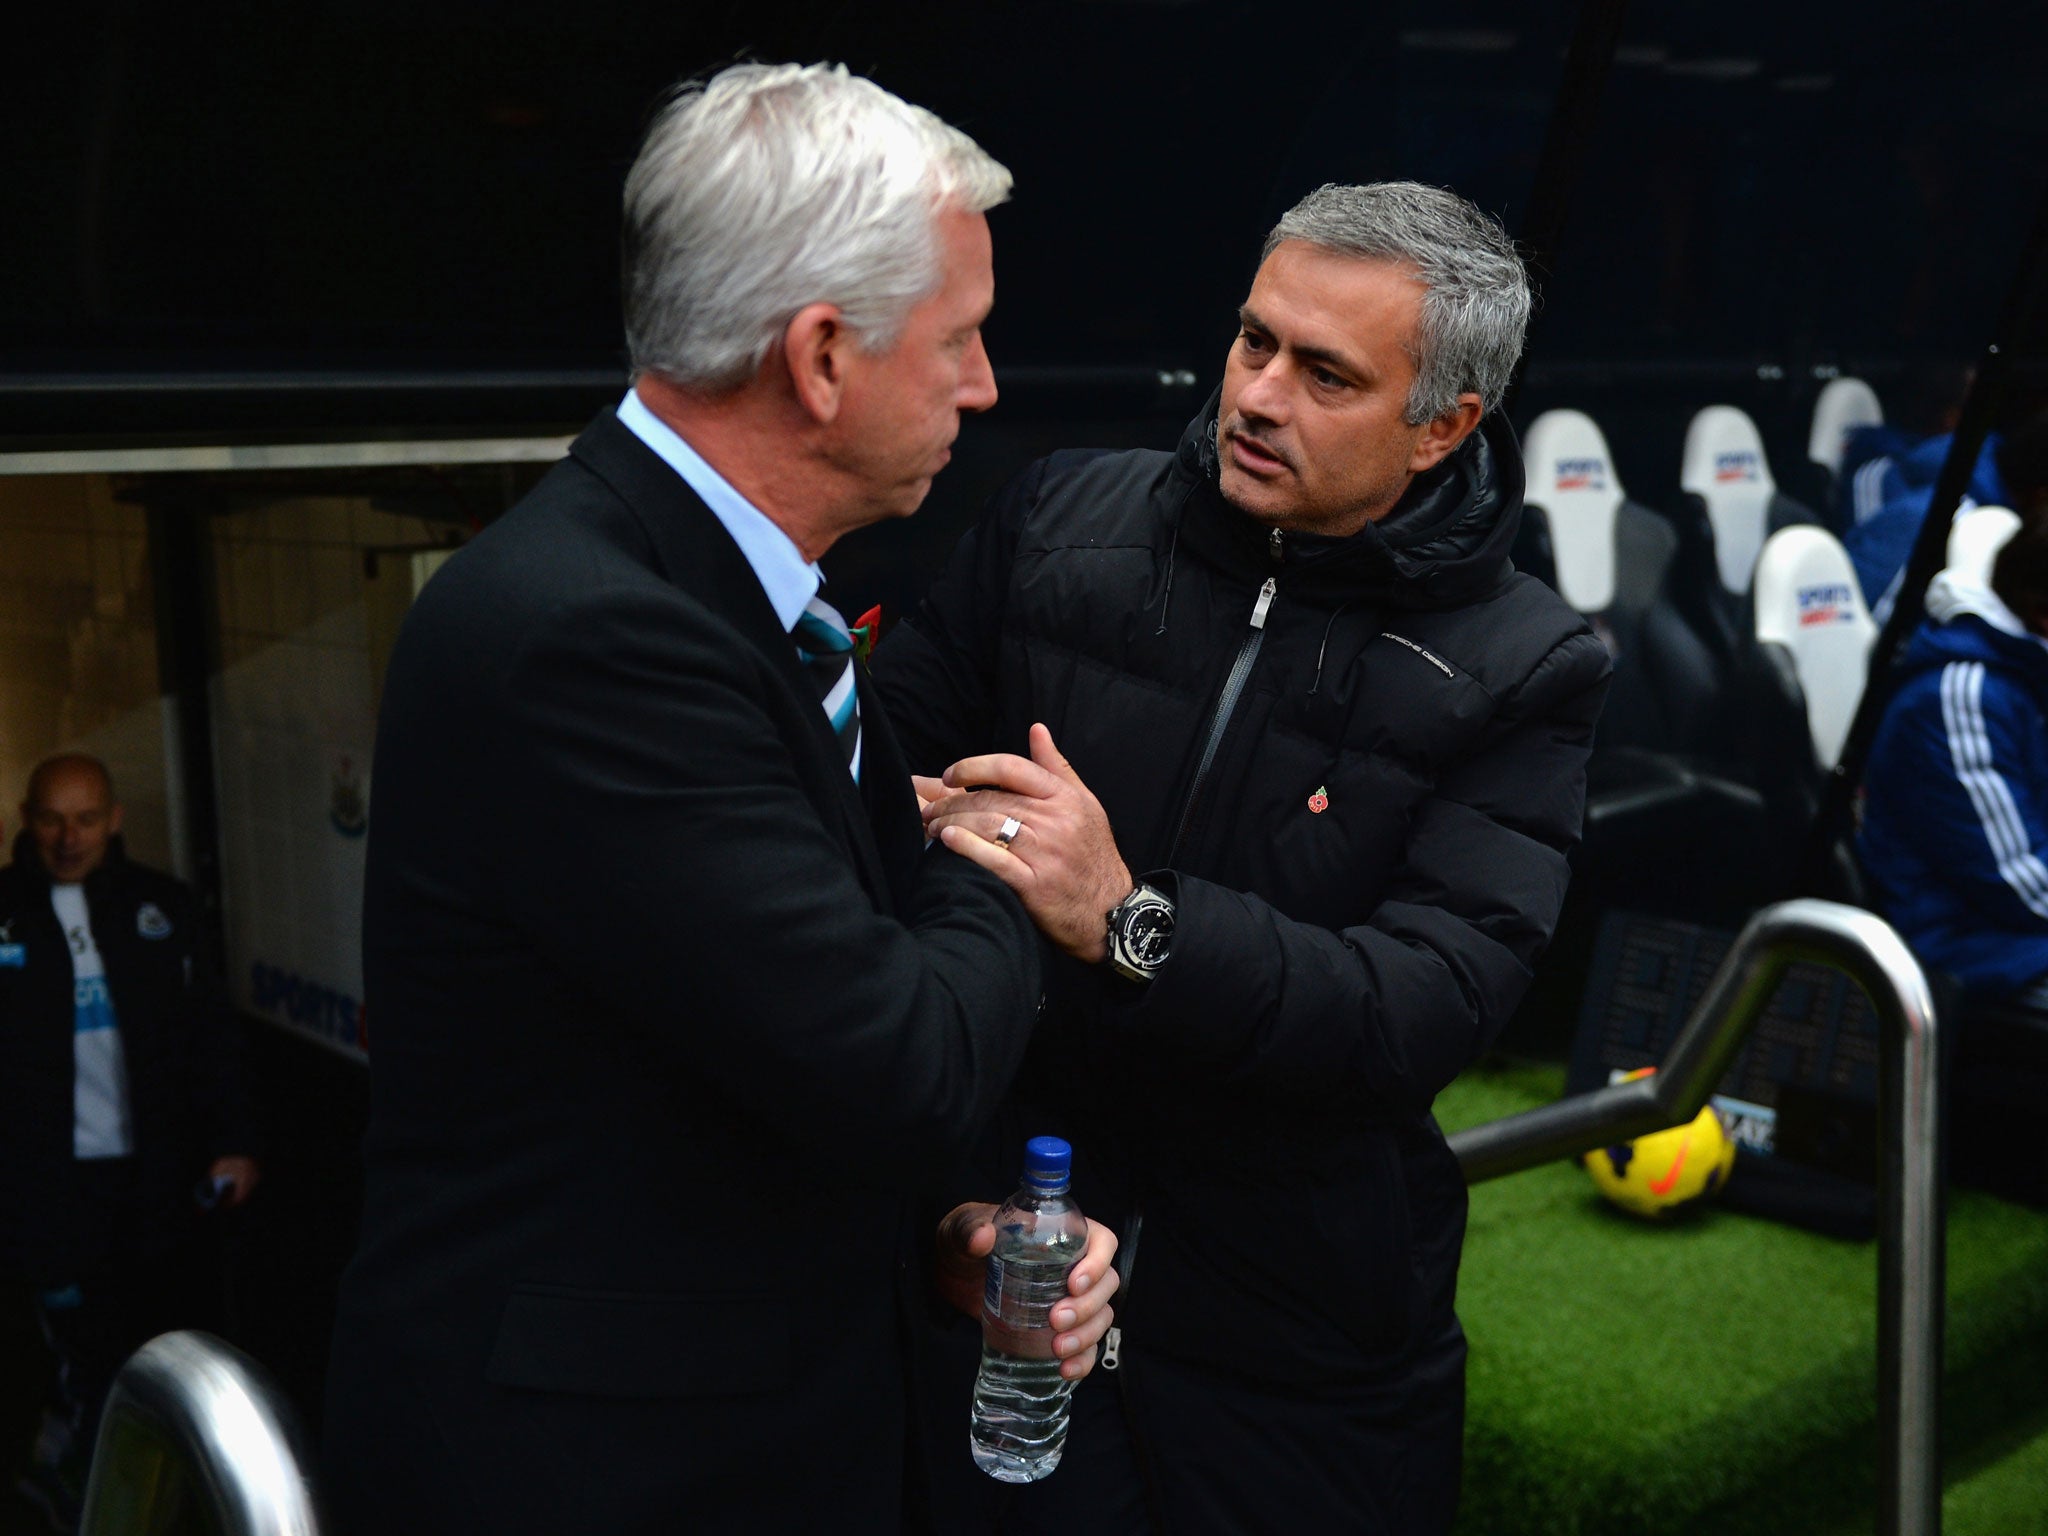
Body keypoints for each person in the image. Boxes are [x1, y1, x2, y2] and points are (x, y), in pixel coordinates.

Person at [319, 63, 1115, 1536]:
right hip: (608, 1483)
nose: (986, 385)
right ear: (821, 358)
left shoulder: (730, 600)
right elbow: (902, 1060)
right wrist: (1002, 850)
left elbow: (753, 1056)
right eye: (961, 339)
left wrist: (947, 1234)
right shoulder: (595, 639)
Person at [872, 182, 1612, 1532]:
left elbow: (1417, 1008)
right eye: (1254, 341)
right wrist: (952, 1211)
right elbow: (871, 808)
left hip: (1303, 1364)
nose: (1259, 396)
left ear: (1444, 426)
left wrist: (1127, 917)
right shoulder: (1054, 525)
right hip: (1011, 1283)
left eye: (1327, 373)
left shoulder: (1526, 665)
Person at [0, 754, 259, 1524]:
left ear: (115, 819)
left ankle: (143, 1497)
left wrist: (236, 1141)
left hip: (152, 1178)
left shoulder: (160, 909)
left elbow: (211, 1036)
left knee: (156, 1341)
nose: (68, 836)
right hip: (46, 1182)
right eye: (52, 818)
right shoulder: (4, 910)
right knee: (70, 1345)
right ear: (26, 819)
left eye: (85, 818)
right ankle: (59, 1492)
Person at [1860, 503, 2048, 1008]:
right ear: (2038, 609)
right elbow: (2017, 880)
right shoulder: (1961, 697)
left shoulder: (2027, 676)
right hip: (1967, 943)